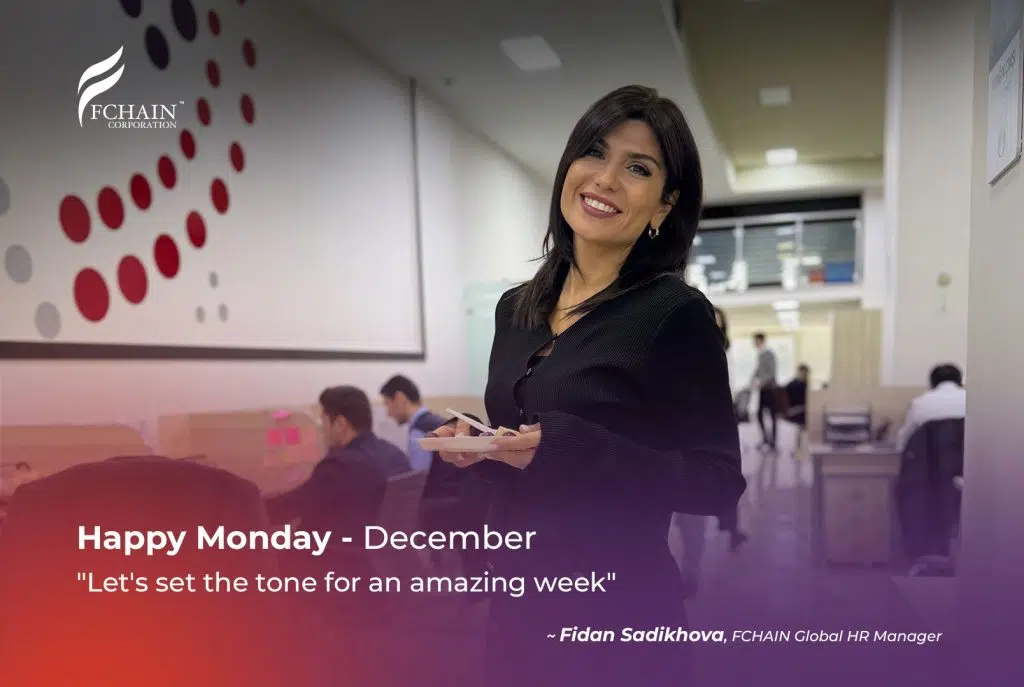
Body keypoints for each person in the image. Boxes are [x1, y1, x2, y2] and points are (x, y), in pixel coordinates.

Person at [429, 85, 745, 687]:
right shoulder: (515, 308)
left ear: (664, 205)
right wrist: (483, 447)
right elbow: (533, 448)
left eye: (638, 168)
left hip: (618, 616)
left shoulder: (674, 314)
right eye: (594, 152)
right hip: (518, 605)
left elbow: (717, 481)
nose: (605, 179)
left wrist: (575, 446)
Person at [380, 374, 445, 471]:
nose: (388, 414)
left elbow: (419, 477)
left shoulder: (418, 432)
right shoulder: (437, 422)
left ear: (399, 398)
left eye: (387, 404)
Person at [896, 363, 967, 452]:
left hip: (931, 458)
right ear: (960, 381)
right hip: (969, 458)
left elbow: (905, 439)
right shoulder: (973, 401)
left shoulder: (919, 403)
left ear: (932, 383)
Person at [750, 331, 778, 449]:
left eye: (755, 341)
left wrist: (761, 382)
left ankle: (773, 442)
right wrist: (752, 380)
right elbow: (758, 370)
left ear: (761, 340)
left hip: (770, 389)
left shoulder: (769, 354)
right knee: (759, 414)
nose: (754, 343)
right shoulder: (761, 355)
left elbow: (771, 373)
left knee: (772, 415)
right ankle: (766, 439)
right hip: (763, 390)